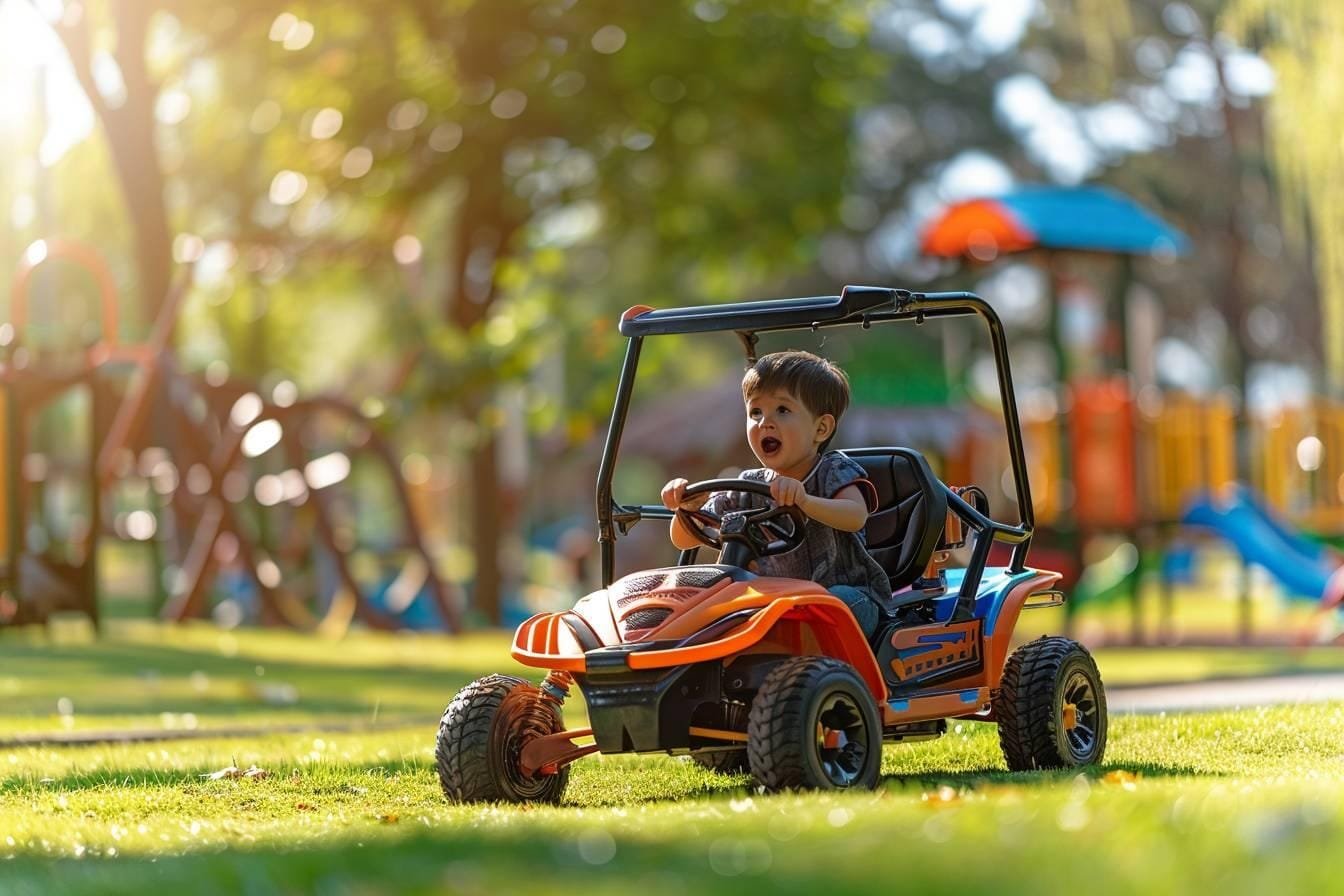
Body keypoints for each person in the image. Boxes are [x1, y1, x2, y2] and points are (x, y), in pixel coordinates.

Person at [660, 350, 891, 637]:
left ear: (821, 428)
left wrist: (804, 501)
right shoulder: (747, 486)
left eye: (782, 410)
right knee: (703, 604)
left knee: (830, 603)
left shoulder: (833, 470)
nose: (765, 422)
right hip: (772, 607)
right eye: (755, 412)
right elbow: (683, 539)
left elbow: (855, 516)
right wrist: (687, 509)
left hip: (844, 598)